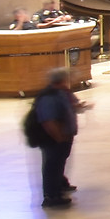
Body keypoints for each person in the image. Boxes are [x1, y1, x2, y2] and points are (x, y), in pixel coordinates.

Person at [29, 67, 88, 209]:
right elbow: (48, 121)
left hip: (64, 136)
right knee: (52, 165)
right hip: (54, 138)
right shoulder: (49, 97)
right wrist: (58, 137)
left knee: (59, 161)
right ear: (61, 80)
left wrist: (78, 106)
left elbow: (71, 105)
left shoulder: (63, 93)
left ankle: (60, 184)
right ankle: (51, 196)